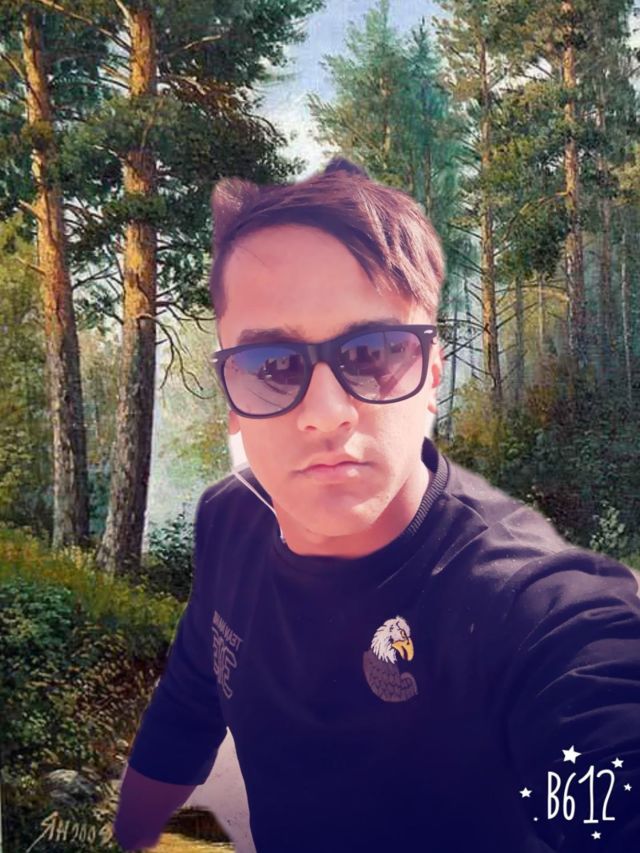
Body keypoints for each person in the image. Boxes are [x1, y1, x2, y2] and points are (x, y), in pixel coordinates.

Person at [113, 159, 640, 852]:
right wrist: (127, 836)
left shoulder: (531, 609)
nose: (326, 411)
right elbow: (189, 701)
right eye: (272, 365)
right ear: (231, 398)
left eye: (374, 353)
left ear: (432, 374)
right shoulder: (229, 521)